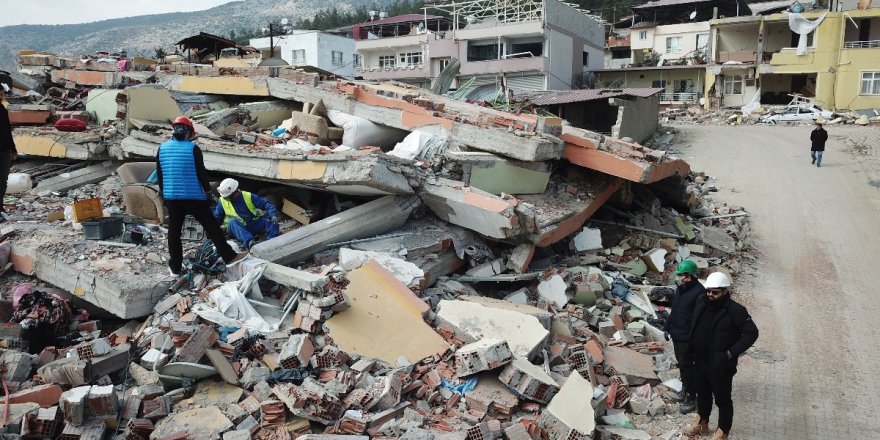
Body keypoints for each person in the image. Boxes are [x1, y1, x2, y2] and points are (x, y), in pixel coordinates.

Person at [156, 116, 246, 276]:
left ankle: (175, 268)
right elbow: (201, 174)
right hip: (193, 197)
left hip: (172, 197)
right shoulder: (193, 149)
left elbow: (160, 175)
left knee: (174, 233)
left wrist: (164, 196)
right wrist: (208, 192)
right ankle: (229, 256)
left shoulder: (162, 148)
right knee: (212, 227)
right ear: (189, 132)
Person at [682, 272, 759, 440]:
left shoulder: (736, 311)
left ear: (725, 291)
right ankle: (702, 423)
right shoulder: (701, 301)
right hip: (700, 359)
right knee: (702, 393)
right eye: (709, 291)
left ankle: (722, 431)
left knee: (722, 399)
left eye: (715, 292)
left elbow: (751, 333)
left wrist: (730, 353)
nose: (710, 295)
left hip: (720, 365)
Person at [664, 260, 705, 414]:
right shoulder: (681, 289)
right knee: (682, 365)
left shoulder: (699, 293)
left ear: (690, 276)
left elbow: (698, 320)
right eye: (679, 275)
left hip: (687, 339)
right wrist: (667, 327)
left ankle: (691, 397)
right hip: (677, 335)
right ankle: (685, 390)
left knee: (688, 368)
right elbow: (674, 311)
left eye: (682, 275)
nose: (679, 278)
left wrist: (692, 340)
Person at [213, 178, 280, 250]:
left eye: (230, 196)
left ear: (236, 191)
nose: (228, 199)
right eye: (226, 197)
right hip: (236, 229)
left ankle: (272, 242)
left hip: (252, 224)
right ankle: (250, 244)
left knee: (270, 218)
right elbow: (216, 218)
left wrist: (273, 215)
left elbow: (266, 204)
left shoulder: (248, 196)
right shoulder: (223, 201)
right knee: (233, 222)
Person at [0, 72, 19, 223]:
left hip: (4, 149)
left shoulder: (2, 109)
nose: (2, 96)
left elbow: (7, 130)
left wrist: (13, 149)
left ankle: (0, 207)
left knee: (2, 180)